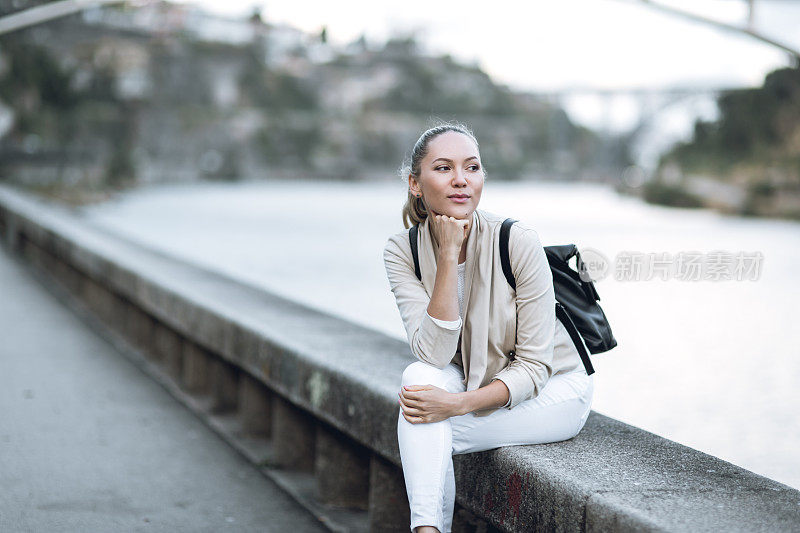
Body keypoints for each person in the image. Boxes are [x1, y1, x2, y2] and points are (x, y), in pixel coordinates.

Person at [382, 122, 594, 533]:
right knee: (418, 377)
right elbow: (434, 354)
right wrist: (447, 256)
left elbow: (534, 368)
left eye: (472, 168)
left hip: (555, 389)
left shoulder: (517, 240)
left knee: (422, 426)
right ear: (415, 183)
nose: (461, 180)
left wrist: (458, 405)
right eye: (443, 168)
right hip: (477, 379)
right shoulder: (402, 250)